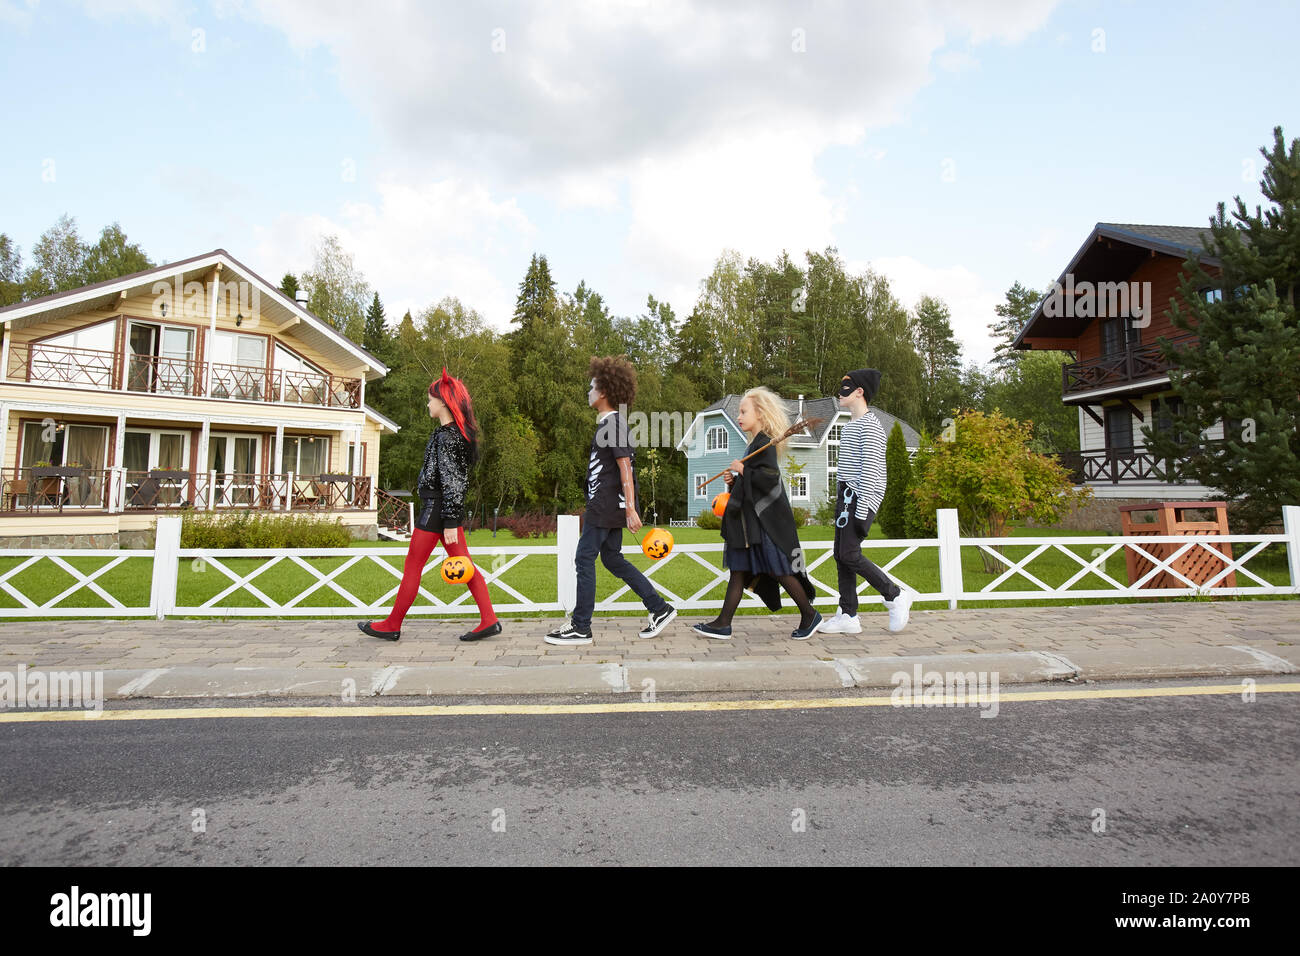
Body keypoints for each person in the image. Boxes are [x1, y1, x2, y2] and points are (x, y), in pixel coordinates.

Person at [358, 368, 501, 642]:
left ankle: (392, 625)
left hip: (438, 509)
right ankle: (489, 620)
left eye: (430, 399)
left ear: (444, 402)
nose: (428, 403)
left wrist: (449, 522)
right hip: (442, 510)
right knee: (464, 564)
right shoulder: (447, 434)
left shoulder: (449, 438)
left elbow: (454, 482)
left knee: (413, 564)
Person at [545, 356, 677, 646]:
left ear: (604, 391)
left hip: (605, 505)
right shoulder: (611, 423)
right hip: (608, 504)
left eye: (592, 386)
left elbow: (625, 466)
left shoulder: (613, 424)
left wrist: (630, 508)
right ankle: (659, 607)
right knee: (612, 558)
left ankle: (581, 626)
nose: (588, 391)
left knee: (584, 558)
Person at [692, 386, 823, 641]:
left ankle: (809, 614)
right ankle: (723, 623)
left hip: (765, 525)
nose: (739, 416)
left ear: (760, 413)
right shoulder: (754, 444)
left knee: (780, 569)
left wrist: (744, 470)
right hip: (748, 525)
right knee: (738, 570)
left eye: (744, 411)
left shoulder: (766, 445)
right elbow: (751, 487)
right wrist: (734, 480)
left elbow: (770, 480)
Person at [819, 368, 912, 634]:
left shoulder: (871, 427)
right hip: (846, 498)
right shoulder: (851, 426)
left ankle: (894, 595)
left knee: (849, 553)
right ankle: (848, 614)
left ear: (860, 392)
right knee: (841, 555)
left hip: (859, 499)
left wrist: (861, 512)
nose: (840, 391)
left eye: (846, 387)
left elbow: (870, 472)